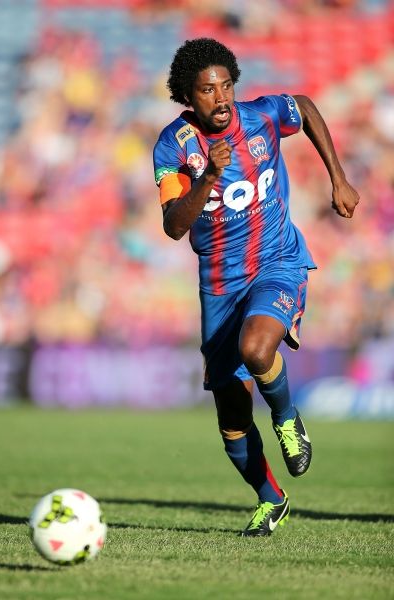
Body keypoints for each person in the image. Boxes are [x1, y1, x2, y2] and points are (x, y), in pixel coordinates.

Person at [152, 38, 359, 537]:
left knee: (257, 348)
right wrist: (209, 176)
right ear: (187, 96)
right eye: (207, 90)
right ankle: (270, 498)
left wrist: (338, 177)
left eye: (226, 85)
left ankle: (286, 418)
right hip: (220, 286)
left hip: (276, 261)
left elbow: (303, 107)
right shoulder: (173, 146)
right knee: (232, 416)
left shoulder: (262, 116)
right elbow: (174, 226)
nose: (221, 98)